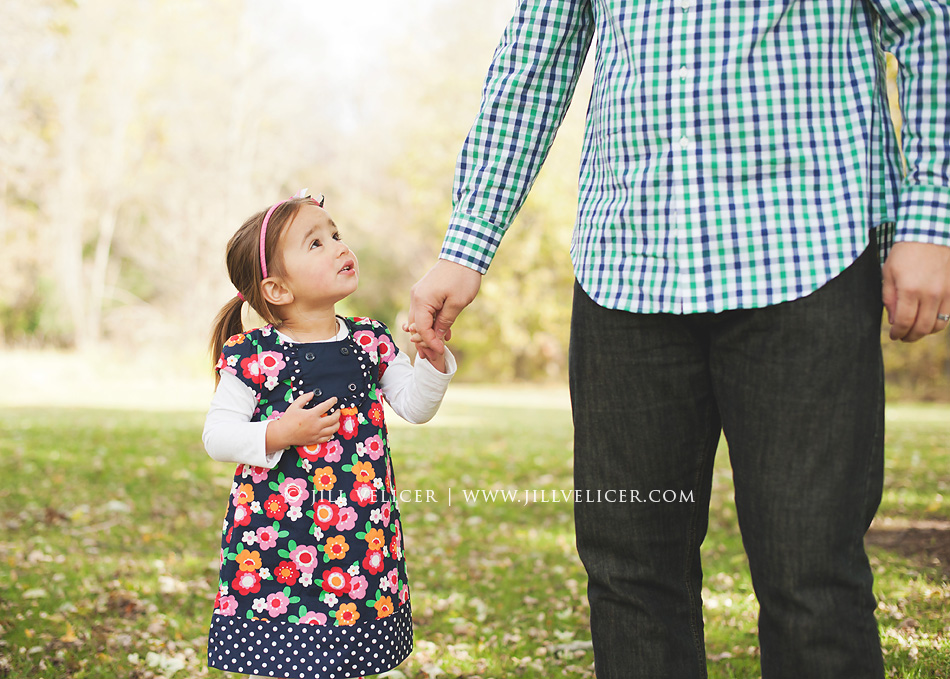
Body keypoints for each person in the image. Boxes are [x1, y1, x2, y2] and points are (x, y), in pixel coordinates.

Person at [408, 1, 950, 677]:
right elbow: (532, 66)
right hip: (628, 263)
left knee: (811, 576)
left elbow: (929, 20)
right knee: (630, 577)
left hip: (807, 248)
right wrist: (467, 246)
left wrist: (930, 214)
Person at [203, 190, 456, 679]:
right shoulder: (252, 355)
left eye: (336, 234)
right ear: (276, 289)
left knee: (351, 653)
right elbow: (218, 435)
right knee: (285, 651)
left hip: (359, 532)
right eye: (315, 243)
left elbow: (415, 407)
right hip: (277, 535)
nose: (340, 246)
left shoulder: (370, 340)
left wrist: (433, 359)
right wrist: (279, 433)